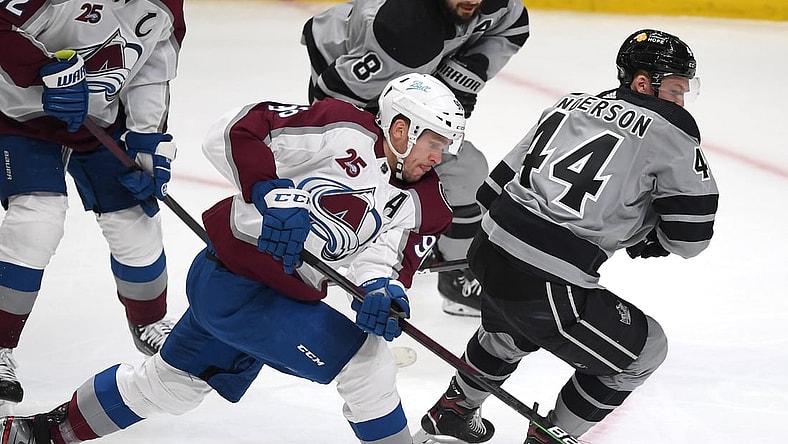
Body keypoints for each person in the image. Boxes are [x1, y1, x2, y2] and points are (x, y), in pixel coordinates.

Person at [0, 73, 466, 444]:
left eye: (445, 147)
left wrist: (383, 290)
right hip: (236, 285)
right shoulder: (339, 127)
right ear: (401, 128)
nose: (439, 156)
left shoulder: (427, 203)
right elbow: (236, 129)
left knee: (172, 386)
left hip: (276, 300)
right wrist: (268, 190)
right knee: (367, 365)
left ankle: (36, 432)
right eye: (435, 142)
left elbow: (387, 257)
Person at [413, 29, 719, 444]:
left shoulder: (571, 104)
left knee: (509, 328)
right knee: (645, 351)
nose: (681, 102)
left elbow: (490, 190)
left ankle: (453, 411)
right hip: (549, 281)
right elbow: (692, 238)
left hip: (488, 248)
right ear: (644, 83)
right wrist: (650, 232)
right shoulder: (672, 129)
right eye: (677, 89)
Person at [0, 0, 185, 409]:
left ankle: (150, 320)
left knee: (135, 221)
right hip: (18, 117)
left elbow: (153, 67)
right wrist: (39, 71)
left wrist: (147, 141)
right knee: (37, 220)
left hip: (100, 121)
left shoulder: (166, 5)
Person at [302, 0, 530, 317]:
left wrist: (468, 72)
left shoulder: (498, 5)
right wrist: (388, 146)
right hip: (354, 85)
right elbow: (333, 102)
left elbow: (514, 28)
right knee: (379, 177)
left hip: (407, 71)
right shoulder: (402, 27)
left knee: (465, 170)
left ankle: (455, 273)